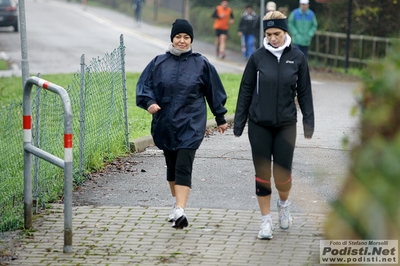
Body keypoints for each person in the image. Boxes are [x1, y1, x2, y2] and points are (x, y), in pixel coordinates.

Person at [136, 19, 228, 229]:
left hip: (191, 123)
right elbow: (144, 86)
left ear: (191, 40)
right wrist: (149, 103)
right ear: (172, 39)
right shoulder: (158, 62)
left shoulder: (201, 63)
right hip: (165, 123)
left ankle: (180, 210)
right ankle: (176, 205)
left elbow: (214, 91)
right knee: (172, 167)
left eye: (186, 37)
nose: (182, 41)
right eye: (178, 36)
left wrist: (220, 117)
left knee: (184, 165)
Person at [233, 11, 314, 240]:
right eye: (268, 34)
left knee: (282, 176)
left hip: (286, 125)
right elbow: (245, 90)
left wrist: (309, 123)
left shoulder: (297, 58)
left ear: (285, 32)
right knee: (262, 174)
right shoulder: (257, 57)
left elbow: (305, 93)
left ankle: (284, 204)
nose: (272, 38)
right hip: (259, 124)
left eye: (276, 33)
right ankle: (265, 221)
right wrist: (239, 123)